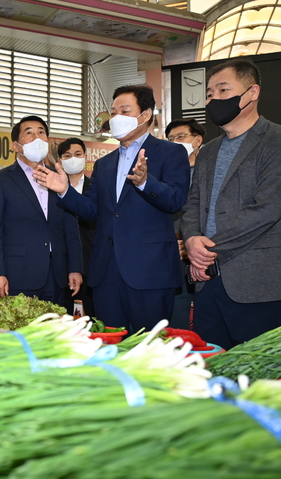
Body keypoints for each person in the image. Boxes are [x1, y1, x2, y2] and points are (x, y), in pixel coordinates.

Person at [34, 85, 190, 330]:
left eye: (124, 111)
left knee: (148, 348)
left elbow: (176, 200)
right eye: (114, 112)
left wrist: (145, 182)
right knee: (110, 344)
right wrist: (64, 190)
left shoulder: (171, 152)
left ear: (146, 114)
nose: (116, 118)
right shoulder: (105, 164)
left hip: (149, 271)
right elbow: (93, 210)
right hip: (106, 272)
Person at [181, 58, 281, 350]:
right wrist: (192, 239)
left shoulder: (280, 140)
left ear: (252, 92)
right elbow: (193, 203)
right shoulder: (208, 151)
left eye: (223, 90)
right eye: (209, 94)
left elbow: (266, 208)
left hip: (258, 282)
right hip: (208, 280)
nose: (214, 99)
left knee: (257, 376)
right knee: (213, 371)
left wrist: (206, 251)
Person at [0, 116, 83, 305]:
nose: (36, 137)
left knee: (55, 331)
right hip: (18, 275)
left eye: (41, 132)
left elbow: (71, 227)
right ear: (15, 145)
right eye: (29, 133)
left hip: (58, 275)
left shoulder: (59, 179)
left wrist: (75, 267)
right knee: (20, 333)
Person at [165, 119, 206, 329]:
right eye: (170, 139)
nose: (175, 142)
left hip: (205, 252)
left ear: (197, 140)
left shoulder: (208, 172)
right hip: (175, 255)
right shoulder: (165, 174)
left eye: (181, 137)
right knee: (178, 317)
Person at [57, 138, 95, 317]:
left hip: (92, 264)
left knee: (93, 318)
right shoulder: (52, 190)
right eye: (67, 155)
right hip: (61, 266)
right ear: (60, 161)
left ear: (85, 157)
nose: (73, 158)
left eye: (78, 154)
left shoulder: (95, 188)